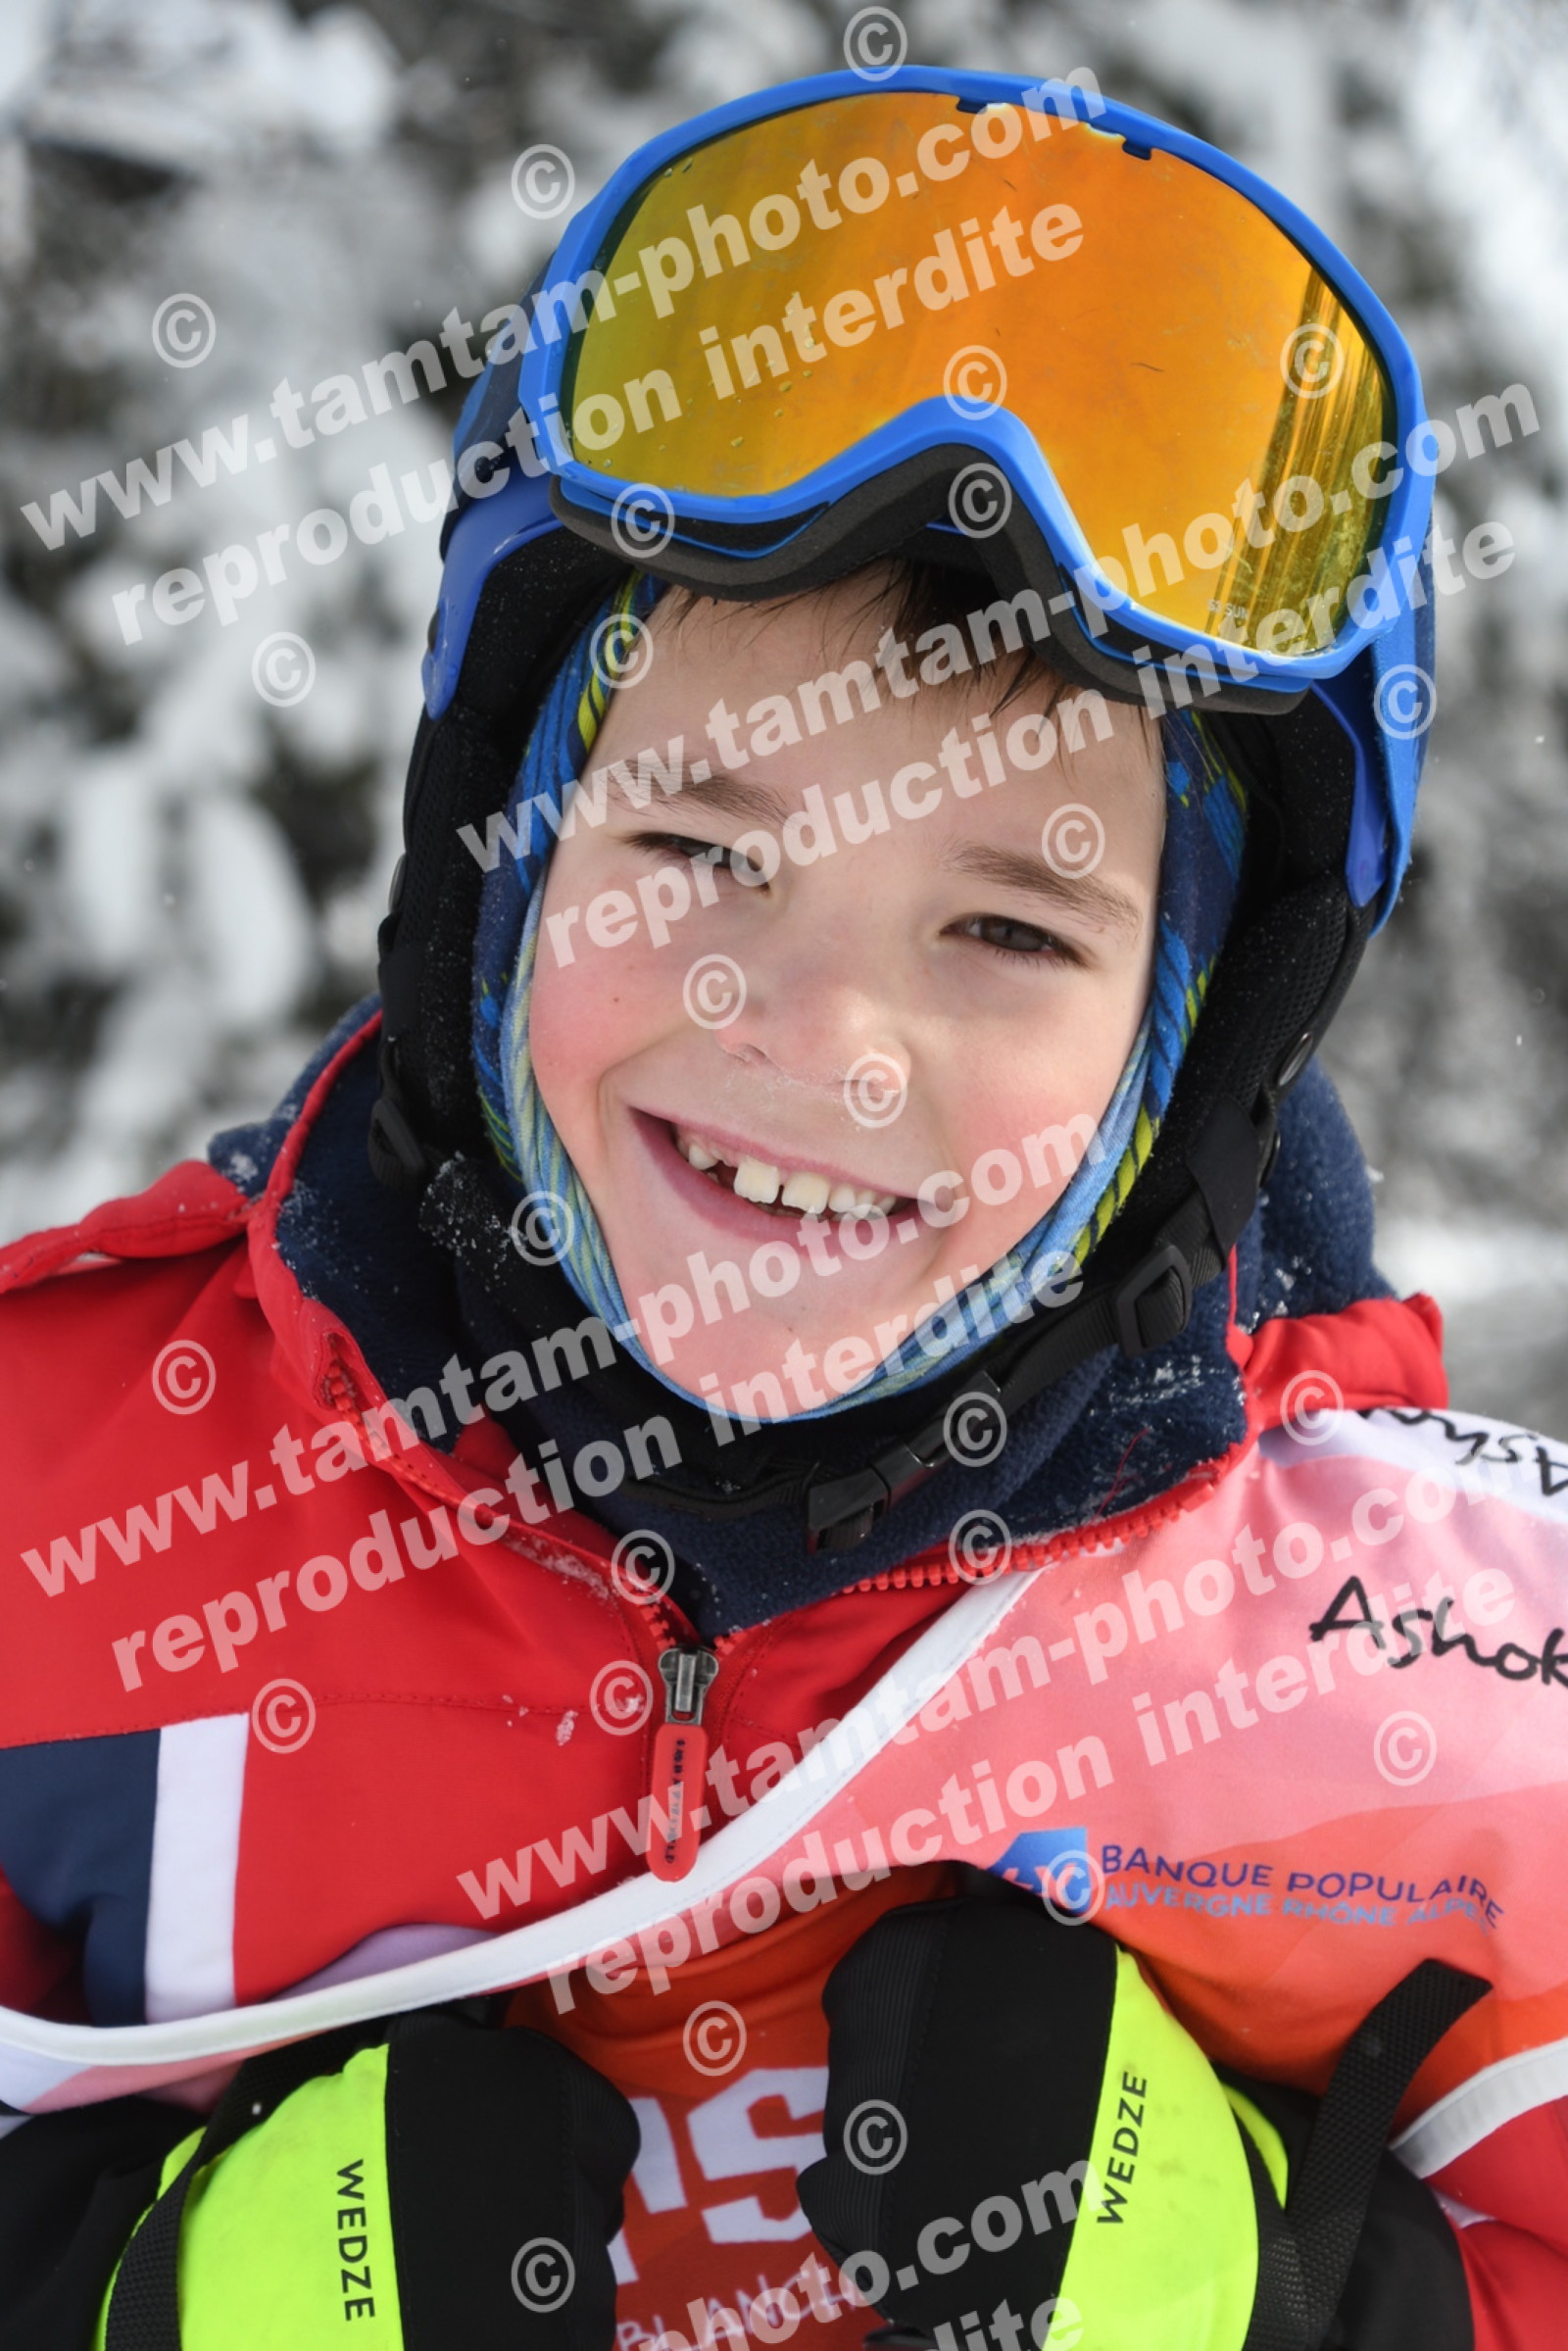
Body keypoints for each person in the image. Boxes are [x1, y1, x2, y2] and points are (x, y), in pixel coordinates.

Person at [1, 61, 1565, 2351]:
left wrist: (1296, 2297)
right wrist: (135, 2290)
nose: (823, 1039)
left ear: (1191, 1049)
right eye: (697, 853)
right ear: (502, 867)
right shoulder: (68, 1515)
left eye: (1005, 930)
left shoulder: (1424, 1671)